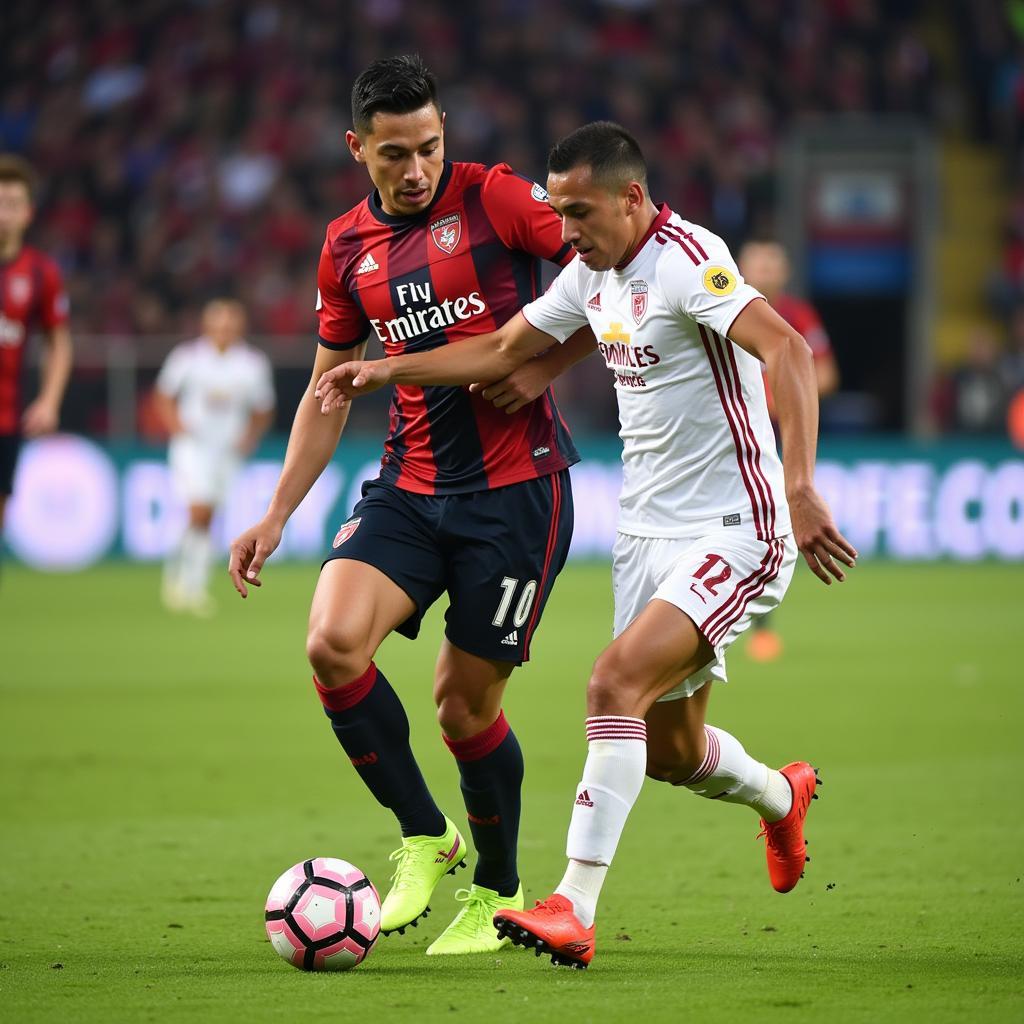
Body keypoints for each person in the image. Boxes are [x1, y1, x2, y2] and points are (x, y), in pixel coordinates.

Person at [313, 121, 857, 969]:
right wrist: (387, 369)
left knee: (612, 681)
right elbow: (499, 347)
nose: (563, 231)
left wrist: (798, 486)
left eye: (579, 212)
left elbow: (784, 347)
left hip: (736, 525)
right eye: (557, 212)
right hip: (646, 533)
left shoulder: (686, 258)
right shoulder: (592, 273)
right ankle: (779, 796)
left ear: (631, 199)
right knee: (673, 751)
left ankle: (574, 903)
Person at [228, 56, 595, 956]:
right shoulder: (344, 248)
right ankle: (427, 835)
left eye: (429, 147)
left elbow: (613, 269)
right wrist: (275, 514)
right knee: (330, 642)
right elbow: (329, 390)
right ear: (358, 149)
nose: (417, 168)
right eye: (394, 154)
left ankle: (498, 891)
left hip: (518, 493)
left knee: (461, 710)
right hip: (409, 482)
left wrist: (545, 363)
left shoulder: (498, 198)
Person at [737, 238, 840, 662]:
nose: (763, 273)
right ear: (741, 269)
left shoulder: (798, 317)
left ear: (785, 273)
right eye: (757, 265)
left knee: (772, 522)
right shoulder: (720, 306)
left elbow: (827, 375)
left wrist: (785, 396)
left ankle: (759, 619)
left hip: (782, 437)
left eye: (771, 265)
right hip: (735, 436)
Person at [154, 298, 274, 616]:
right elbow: (163, 395)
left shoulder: (251, 363)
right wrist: (178, 428)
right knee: (199, 511)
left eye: (230, 325)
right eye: (219, 324)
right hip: (192, 448)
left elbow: (263, 408)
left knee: (209, 517)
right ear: (207, 327)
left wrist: (249, 439)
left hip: (227, 451)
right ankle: (183, 582)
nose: (224, 330)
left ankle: (187, 580)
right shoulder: (188, 357)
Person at [0, 155, 72, 554]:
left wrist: (49, 399)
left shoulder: (40, 272)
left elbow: (58, 341)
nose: (3, 213)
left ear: (27, 213)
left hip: (6, 418)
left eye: (12, 204)